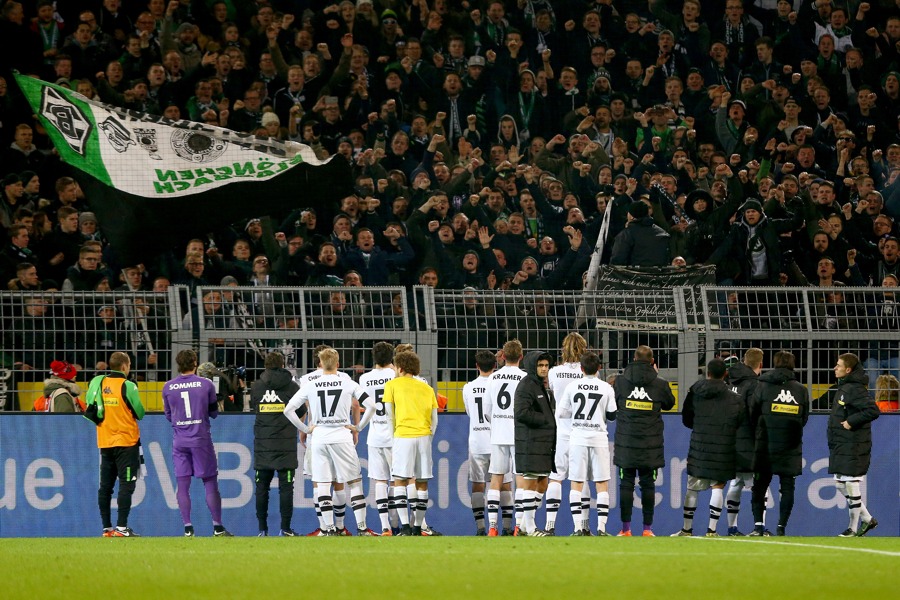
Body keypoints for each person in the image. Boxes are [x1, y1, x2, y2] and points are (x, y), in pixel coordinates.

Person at [284, 348, 378, 536]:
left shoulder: (311, 385)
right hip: (342, 435)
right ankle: (361, 528)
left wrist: (305, 429)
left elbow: (288, 410)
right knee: (354, 482)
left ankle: (328, 530)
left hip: (319, 437)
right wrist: (358, 428)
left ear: (320, 363)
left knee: (323, 483)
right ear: (338, 364)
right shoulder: (348, 383)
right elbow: (372, 406)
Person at [162, 349, 233, 537]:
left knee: (182, 484)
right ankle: (217, 527)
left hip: (180, 440)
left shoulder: (168, 387)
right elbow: (213, 412)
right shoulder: (206, 384)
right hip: (200, 439)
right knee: (210, 482)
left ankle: (187, 527)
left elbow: (169, 415)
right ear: (195, 363)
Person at [672, 359, 743, 537]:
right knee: (718, 486)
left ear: (708, 373)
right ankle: (711, 530)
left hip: (699, 445)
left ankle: (686, 529)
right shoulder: (735, 397)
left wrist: (700, 427)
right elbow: (739, 421)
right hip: (723, 446)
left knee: (692, 487)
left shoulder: (695, 391)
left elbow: (686, 417)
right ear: (725, 374)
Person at [612, 345, 676, 537]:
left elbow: (613, 402)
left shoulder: (620, 382)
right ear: (652, 361)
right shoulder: (660, 383)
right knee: (648, 484)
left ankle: (625, 529)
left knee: (626, 483)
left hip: (626, 442)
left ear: (633, 358)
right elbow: (670, 403)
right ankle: (647, 530)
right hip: (650, 443)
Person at [748, 351, 809, 537]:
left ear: (774, 364)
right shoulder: (801, 390)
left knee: (759, 485)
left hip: (765, 442)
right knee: (787, 486)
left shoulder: (763, 385)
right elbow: (804, 418)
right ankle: (781, 527)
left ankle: (758, 526)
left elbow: (752, 412)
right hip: (790, 444)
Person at [84, 351, 145, 537]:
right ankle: (121, 528)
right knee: (126, 485)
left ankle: (107, 528)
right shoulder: (128, 386)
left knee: (105, 486)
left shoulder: (99, 383)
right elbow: (140, 412)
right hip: (126, 442)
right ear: (125, 366)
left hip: (105, 441)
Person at [556, 352, 616, 536]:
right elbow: (613, 415)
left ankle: (577, 528)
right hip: (598, 438)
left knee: (576, 482)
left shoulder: (572, 386)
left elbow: (562, 413)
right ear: (599, 368)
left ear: (581, 369)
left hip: (578, 438)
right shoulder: (606, 387)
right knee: (602, 483)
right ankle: (602, 528)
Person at [383, 349, 438, 536]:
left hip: (403, 436)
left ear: (399, 368)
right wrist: (429, 437)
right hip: (423, 437)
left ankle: (405, 527)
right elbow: (434, 419)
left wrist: (394, 438)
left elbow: (389, 415)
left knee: (400, 480)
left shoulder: (392, 385)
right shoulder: (427, 388)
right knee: (421, 483)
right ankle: (418, 527)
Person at [828, 353, 880, 537]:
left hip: (853, 444)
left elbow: (872, 410)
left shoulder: (854, 389)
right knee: (841, 485)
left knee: (850, 484)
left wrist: (851, 422)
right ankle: (867, 520)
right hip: (843, 444)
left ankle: (852, 528)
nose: (835, 368)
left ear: (848, 369)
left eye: (838, 365)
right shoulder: (846, 387)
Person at [250, 351, 301, 536]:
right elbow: (301, 410)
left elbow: (255, 407)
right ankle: (285, 529)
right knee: (286, 488)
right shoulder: (292, 387)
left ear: (265, 365)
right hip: (285, 445)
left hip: (263, 445)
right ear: (282, 364)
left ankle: (262, 530)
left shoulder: (256, 387)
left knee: (261, 488)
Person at [546, 332, 588, 534]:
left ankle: (549, 526)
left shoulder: (554, 372)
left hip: (560, 432)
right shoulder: (588, 373)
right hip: (581, 431)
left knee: (555, 477)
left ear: (563, 349)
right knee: (580, 479)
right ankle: (581, 526)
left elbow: (553, 394)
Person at [513, 350, 556, 537]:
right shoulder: (526, 386)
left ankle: (523, 525)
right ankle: (530, 528)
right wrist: (544, 419)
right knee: (530, 484)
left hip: (542, 443)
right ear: (532, 366)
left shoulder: (538, 385)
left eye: (546, 365)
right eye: (540, 365)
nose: (544, 369)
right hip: (530, 441)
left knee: (543, 483)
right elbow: (521, 413)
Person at [485, 339, 526, 537]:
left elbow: (487, 411)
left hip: (498, 433)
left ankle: (492, 527)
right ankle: (518, 526)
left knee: (496, 479)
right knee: (520, 479)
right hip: (519, 434)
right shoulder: (525, 378)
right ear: (521, 356)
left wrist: (498, 423)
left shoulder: (493, 378)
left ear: (503, 357)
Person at [358, 341, 397, 535]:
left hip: (374, 435)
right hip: (394, 436)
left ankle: (385, 526)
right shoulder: (395, 375)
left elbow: (364, 405)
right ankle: (401, 524)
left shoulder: (364, 378)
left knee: (380, 481)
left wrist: (358, 427)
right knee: (399, 480)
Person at [724, 347, 763, 536]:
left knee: (736, 482)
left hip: (730, 438)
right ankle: (759, 526)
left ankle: (732, 527)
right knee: (757, 484)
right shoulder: (754, 384)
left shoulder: (729, 380)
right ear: (760, 365)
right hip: (749, 439)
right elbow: (754, 412)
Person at [463, 349, 498, 535]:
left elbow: (470, 412)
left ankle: (481, 527)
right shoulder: (497, 384)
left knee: (478, 484)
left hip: (476, 441)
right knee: (502, 483)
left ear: (477, 366)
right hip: (496, 440)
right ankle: (505, 526)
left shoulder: (468, 387)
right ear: (495, 366)